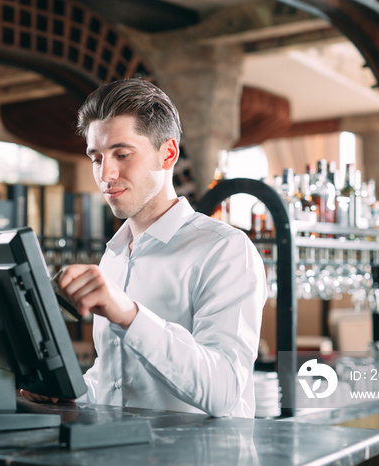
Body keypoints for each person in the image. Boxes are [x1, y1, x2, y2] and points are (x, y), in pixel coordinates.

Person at [23, 78, 267, 417]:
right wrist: (75, 393)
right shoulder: (114, 255)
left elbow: (224, 391)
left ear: (167, 154)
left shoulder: (225, 250)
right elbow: (117, 381)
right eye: (96, 158)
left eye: (122, 154)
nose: (106, 174)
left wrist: (129, 315)